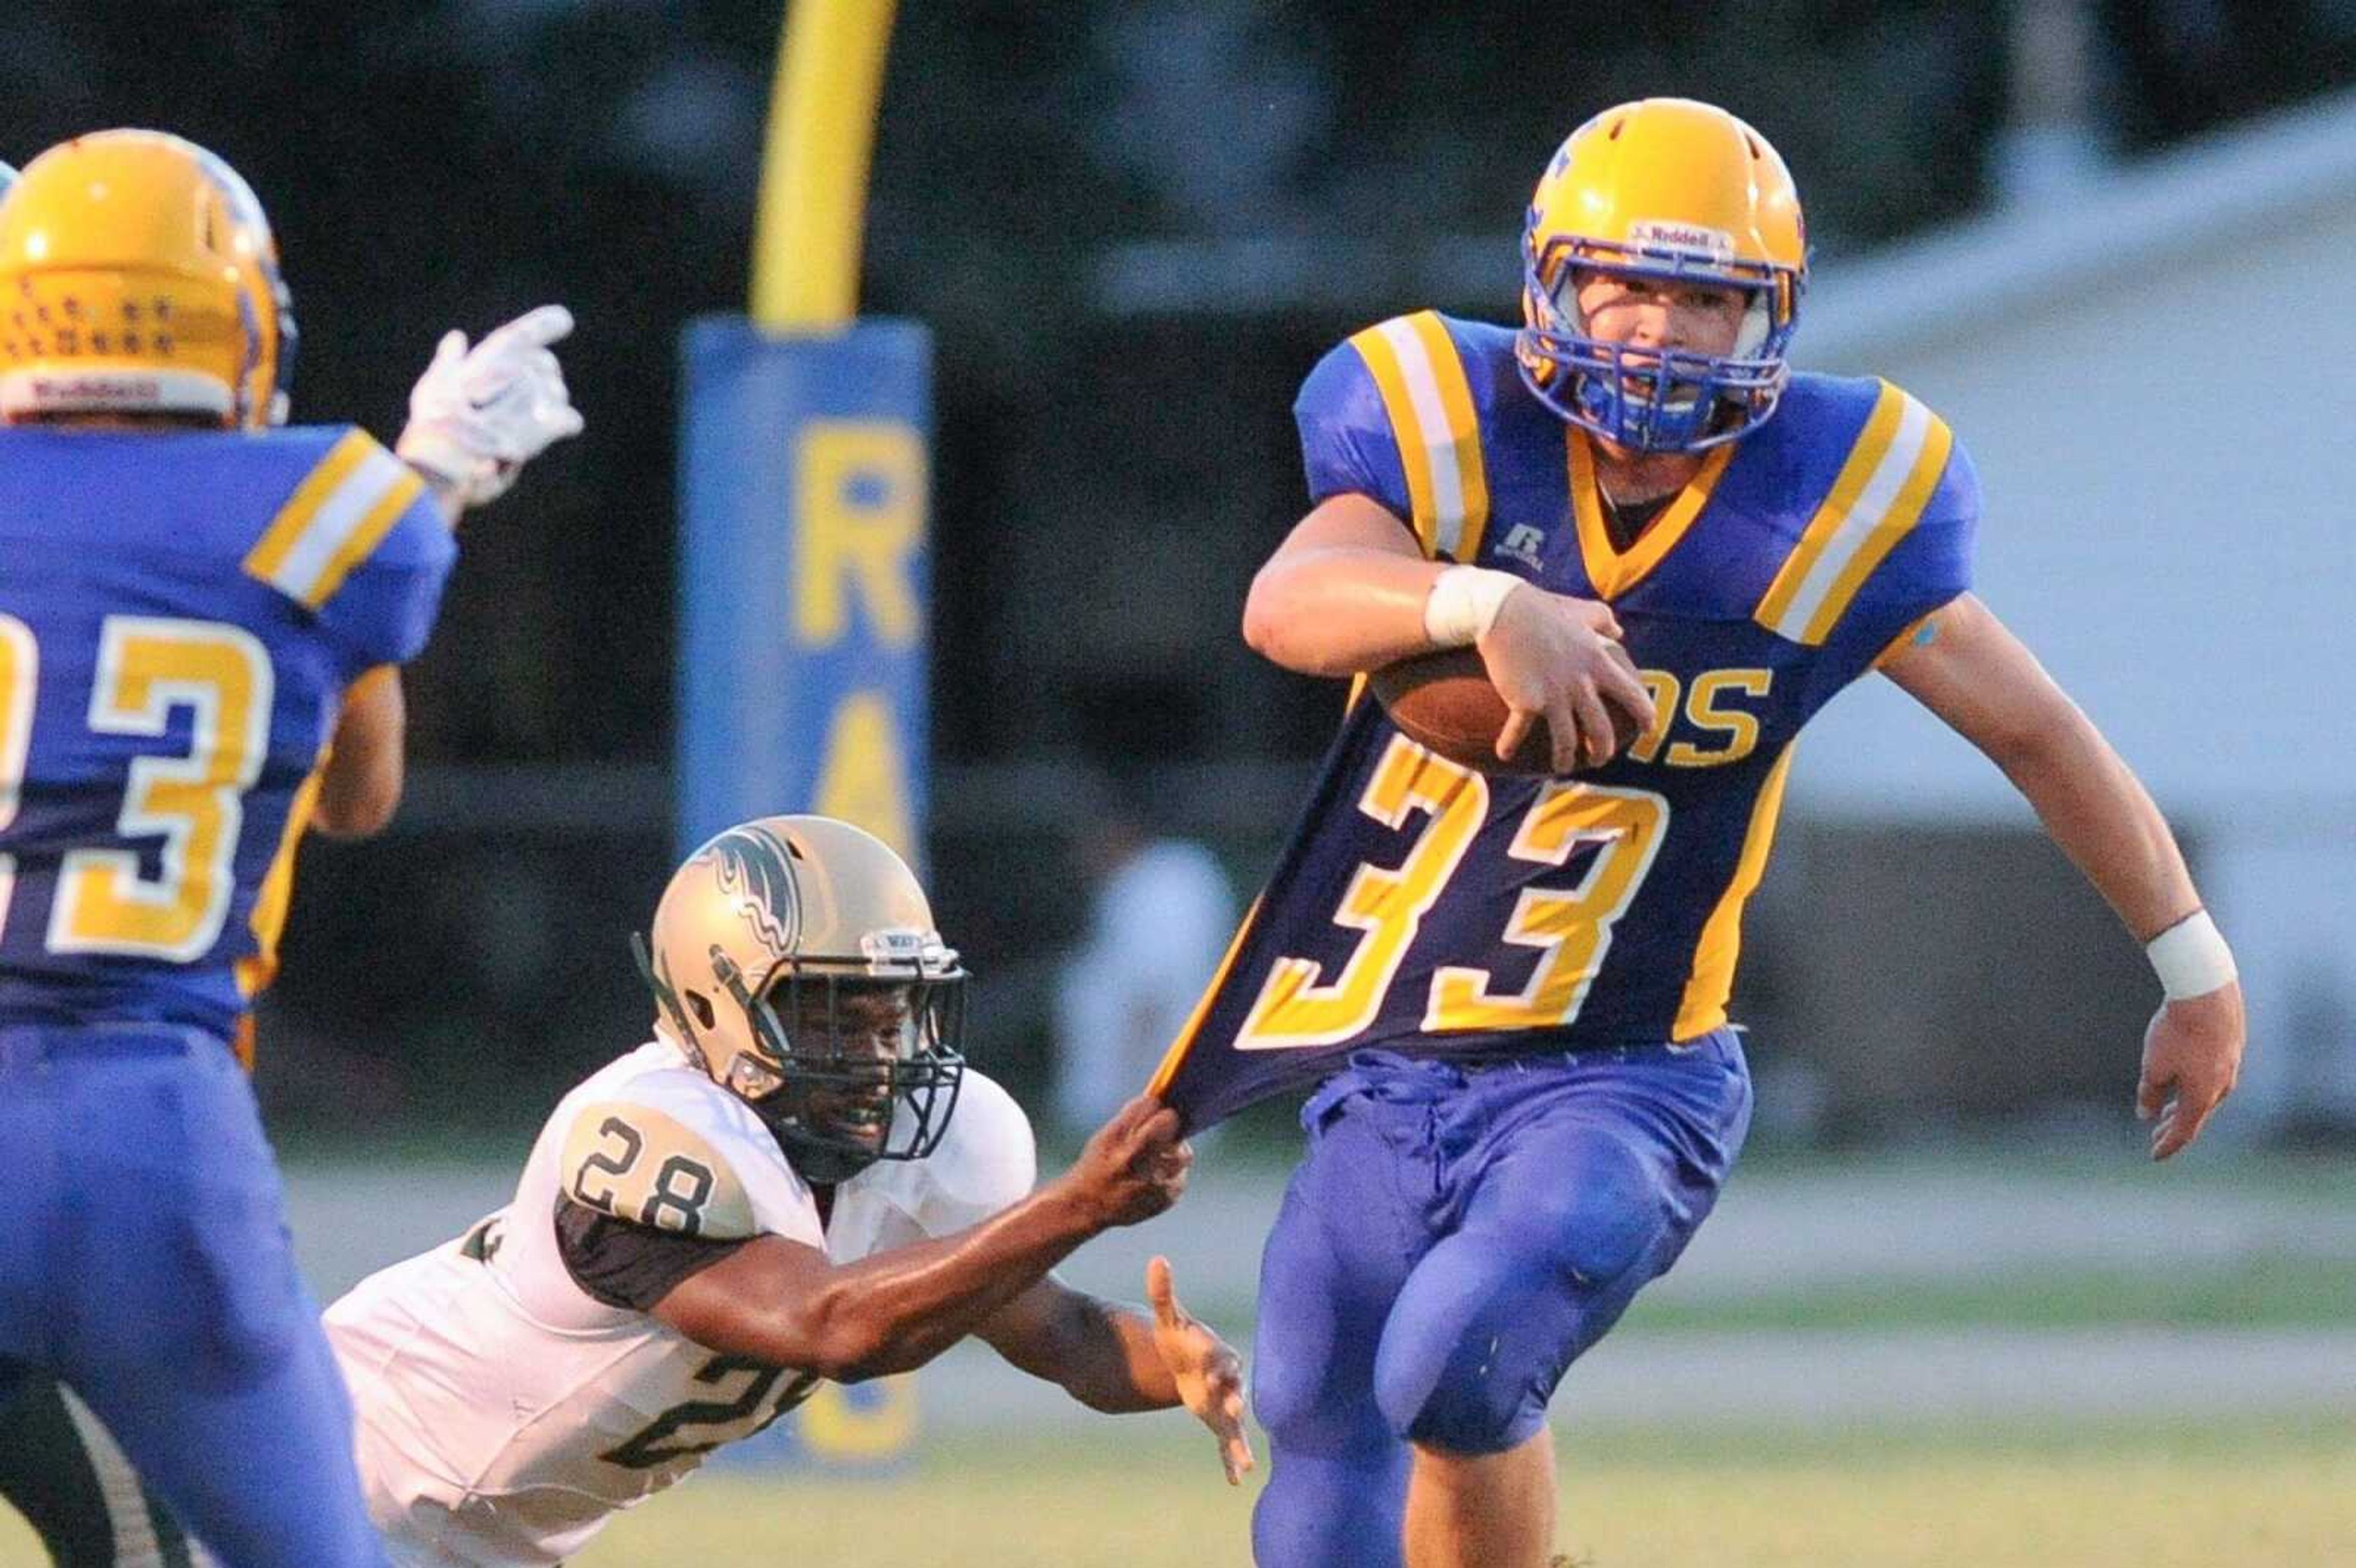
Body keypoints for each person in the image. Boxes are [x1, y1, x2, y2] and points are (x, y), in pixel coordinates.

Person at [1150, 98, 2245, 1568]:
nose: (1655, 328)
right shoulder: (1445, 433)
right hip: (1394, 1059)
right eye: (1623, 282)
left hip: (1625, 1073)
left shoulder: (1828, 498)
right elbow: (1284, 605)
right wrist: (1485, 604)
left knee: (1455, 1358)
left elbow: (2031, 729)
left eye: (1702, 294)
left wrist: (2191, 966)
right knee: (1319, 1412)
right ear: (1548, 281)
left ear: (1767, 319)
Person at [0, 129, 580, 1567]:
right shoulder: (323, 514)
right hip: (147, 1121)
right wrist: (434, 465)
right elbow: (360, 772)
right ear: (234, 317)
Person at [312, 813, 1247, 1566]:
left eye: (894, 1013)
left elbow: (1064, 1336)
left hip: (491, 1539)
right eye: (835, 1018)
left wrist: (1204, 1366)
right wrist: (1080, 1202)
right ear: (719, 1003)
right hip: (327, 1475)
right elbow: (833, 1329)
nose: (878, 1054)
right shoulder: (642, 1136)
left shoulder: (920, 1150)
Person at [1052, 774, 1237, 1135]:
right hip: (1179, 1018)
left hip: (1158, 1025)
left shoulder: (1160, 882)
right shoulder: (1176, 872)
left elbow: (1151, 980)